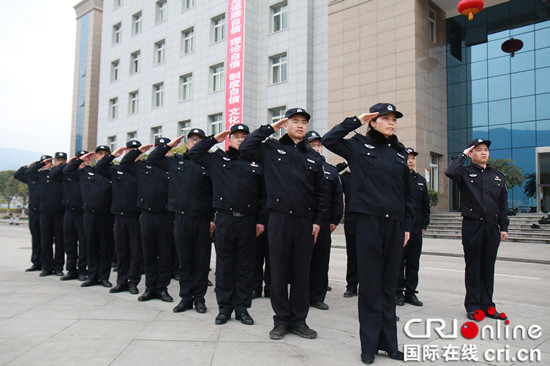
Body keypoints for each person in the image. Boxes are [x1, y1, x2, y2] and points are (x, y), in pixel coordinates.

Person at [322, 103, 414, 364]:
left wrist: (407, 226)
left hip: (394, 225)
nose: (391, 122)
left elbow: (407, 195)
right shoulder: (357, 145)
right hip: (369, 222)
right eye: (385, 118)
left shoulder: (398, 152)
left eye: (394, 119)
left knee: (389, 285)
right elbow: (330, 139)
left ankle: (390, 344)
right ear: (373, 122)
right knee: (371, 284)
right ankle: (369, 345)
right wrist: (356, 120)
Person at [240, 108, 328, 340]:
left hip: (305, 222)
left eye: (304, 123)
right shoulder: (270, 148)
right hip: (279, 219)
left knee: (301, 274)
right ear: (286, 125)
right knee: (278, 273)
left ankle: (299, 321)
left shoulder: (314, 157)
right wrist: (271, 127)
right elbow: (246, 147)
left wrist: (319, 221)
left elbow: (321, 193)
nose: (300, 126)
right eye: (295, 121)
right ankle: (280, 321)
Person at [188, 124, 266, 325]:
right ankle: (224, 308)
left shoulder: (257, 162)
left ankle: (242, 308)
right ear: (229, 139)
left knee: (245, 267)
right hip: (224, 219)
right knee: (224, 266)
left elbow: (263, 195)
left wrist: (260, 220)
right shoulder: (217, 159)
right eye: (236, 136)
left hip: (248, 221)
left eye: (244, 136)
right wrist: (214, 138)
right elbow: (195, 153)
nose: (240, 139)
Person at [146, 130, 214, 313]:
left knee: (201, 261)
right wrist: (170, 145)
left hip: (202, 219)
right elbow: (152, 160)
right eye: (192, 140)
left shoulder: (209, 164)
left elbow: (216, 192)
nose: (196, 142)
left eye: (200, 140)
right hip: (181, 218)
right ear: (187, 143)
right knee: (184, 261)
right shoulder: (175, 160)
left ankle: (199, 299)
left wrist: (213, 219)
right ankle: (186, 298)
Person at [445, 138, 509, 321]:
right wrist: (463, 154)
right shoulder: (464, 172)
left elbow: (502, 204)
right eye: (478, 150)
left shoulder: (498, 175)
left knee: (488, 267)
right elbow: (450, 171)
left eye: (486, 150)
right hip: (472, 225)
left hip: (491, 226)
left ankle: (488, 306)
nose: (483, 153)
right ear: (471, 154)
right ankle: (473, 306)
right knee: (473, 267)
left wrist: (503, 226)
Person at [120, 139, 173, 302]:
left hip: (166, 216)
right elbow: (125, 163)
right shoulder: (142, 167)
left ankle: (162, 288)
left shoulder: (173, 167)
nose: (163, 151)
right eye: (159, 148)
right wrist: (139, 151)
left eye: (166, 148)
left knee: (164, 256)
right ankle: (150, 288)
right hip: (147, 216)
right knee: (149, 255)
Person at [95, 141, 143, 295]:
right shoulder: (116, 169)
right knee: (121, 250)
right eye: (129, 150)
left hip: (136, 217)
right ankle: (121, 281)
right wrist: (112, 156)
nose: (132, 153)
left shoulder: (142, 169)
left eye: (135, 150)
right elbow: (99, 168)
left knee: (135, 252)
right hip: (119, 216)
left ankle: (133, 282)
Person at [304, 131, 343, 311]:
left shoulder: (330, 170)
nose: (317, 148)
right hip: (302, 221)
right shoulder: (300, 165)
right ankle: (301, 295)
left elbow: (337, 197)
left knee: (321, 261)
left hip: (324, 223)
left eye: (319, 145)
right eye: (313, 145)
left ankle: (317, 297)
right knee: (302, 261)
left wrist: (334, 220)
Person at [65, 146, 114, 288]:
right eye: (100, 154)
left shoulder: (111, 171)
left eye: (106, 154)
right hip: (89, 214)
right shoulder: (86, 171)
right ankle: (92, 276)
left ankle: (104, 277)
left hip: (106, 215)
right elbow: (67, 171)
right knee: (90, 246)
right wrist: (80, 160)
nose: (103, 156)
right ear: (95, 156)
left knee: (105, 247)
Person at [396, 147, 430, 307]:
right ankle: (398, 293)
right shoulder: (397, 178)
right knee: (398, 262)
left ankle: (410, 293)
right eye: (408, 158)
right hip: (400, 228)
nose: (410, 160)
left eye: (413, 158)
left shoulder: (420, 180)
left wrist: (424, 225)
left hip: (416, 229)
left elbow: (425, 205)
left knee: (413, 263)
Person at [26, 152, 67, 277]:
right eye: (57, 160)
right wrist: (41, 163)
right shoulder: (42, 175)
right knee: (45, 241)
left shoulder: (64, 175)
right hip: (44, 212)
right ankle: (46, 266)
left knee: (60, 242)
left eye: (62, 160)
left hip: (59, 212)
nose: (59, 162)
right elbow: (28, 173)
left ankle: (58, 267)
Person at [51, 150, 88, 281]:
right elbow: (53, 174)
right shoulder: (67, 173)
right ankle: (71, 269)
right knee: (69, 243)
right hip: (68, 212)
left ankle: (83, 270)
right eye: (80, 159)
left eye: (85, 159)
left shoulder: (87, 173)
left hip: (82, 213)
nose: (83, 162)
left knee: (83, 244)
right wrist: (67, 163)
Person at [14, 157, 44, 272]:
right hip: (34, 211)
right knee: (36, 237)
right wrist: (29, 166)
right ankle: (36, 262)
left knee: (46, 239)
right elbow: (17, 175)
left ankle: (46, 263)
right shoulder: (31, 177)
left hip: (45, 212)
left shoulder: (49, 177)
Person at [338, 163, 359, 298]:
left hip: (367, 219)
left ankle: (367, 286)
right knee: (352, 254)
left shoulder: (367, 173)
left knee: (368, 256)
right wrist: (344, 164)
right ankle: (351, 286)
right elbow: (331, 172)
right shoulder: (345, 177)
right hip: (351, 219)